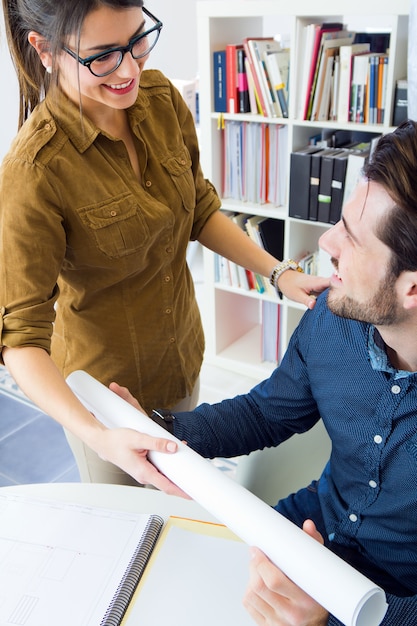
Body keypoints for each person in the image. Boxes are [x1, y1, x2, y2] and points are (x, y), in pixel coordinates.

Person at [0, 0, 329, 486]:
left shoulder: (160, 99)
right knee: (140, 531)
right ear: (45, 50)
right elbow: (20, 340)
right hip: (108, 403)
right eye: (104, 56)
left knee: (183, 502)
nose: (129, 68)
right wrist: (99, 435)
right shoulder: (34, 173)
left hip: (179, 361)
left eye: (137, 40)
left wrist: (279, 272)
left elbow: (198, 208)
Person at [112, 119, 417, 625]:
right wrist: (158, 430)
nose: (326, 242)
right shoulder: (333, 320)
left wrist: (337, 613)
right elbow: (266, 412)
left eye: (353, 239)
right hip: (300, 539)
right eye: (338, 221)